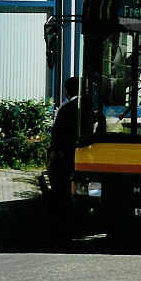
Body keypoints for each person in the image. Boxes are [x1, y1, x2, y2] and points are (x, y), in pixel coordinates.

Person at [48, 77, 80, 210]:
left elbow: (57, 132)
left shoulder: (66, 108)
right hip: (80, 151)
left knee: (61, 185)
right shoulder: (88, 106)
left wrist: (54, 151)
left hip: (64, 153)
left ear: (67, 91)